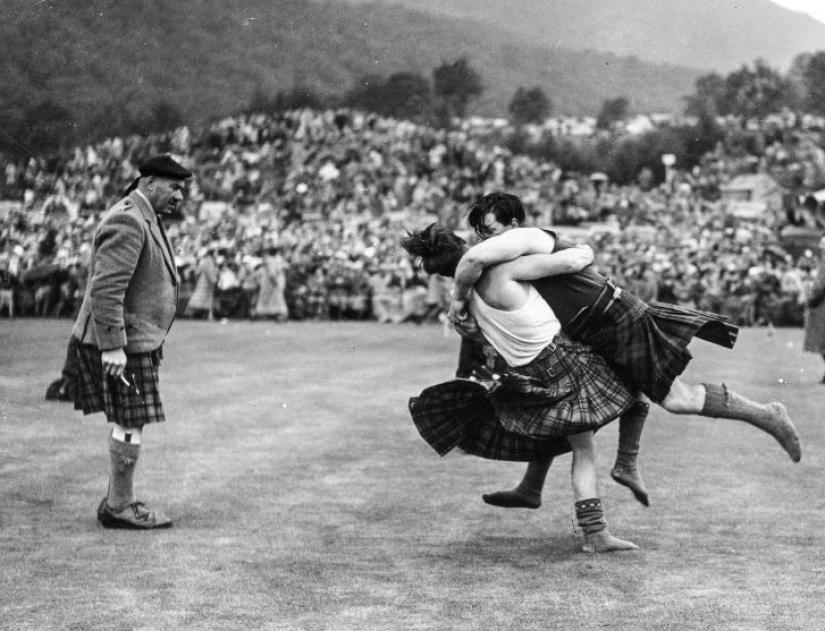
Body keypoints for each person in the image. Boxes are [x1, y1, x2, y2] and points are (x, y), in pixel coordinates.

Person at [448, 192, 801, 509]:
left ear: (513, 224)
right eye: (481, 234)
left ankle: (767, 413)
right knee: (564, 405)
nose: (486, 242)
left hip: (617, 320)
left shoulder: (526, 238)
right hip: (597, 326)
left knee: (678, 400)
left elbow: (473, 260)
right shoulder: (516, 254)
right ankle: (540, 485)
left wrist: (457, 302)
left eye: (491, 232)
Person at [403, 223, 639, 553]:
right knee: (621, 406)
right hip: (565, 361)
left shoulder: (463, 308)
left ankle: (535, 491)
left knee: (577, 438)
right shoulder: (503, 270)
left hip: (528, 374)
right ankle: (597, 528)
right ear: (465, 246)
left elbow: (485, 339)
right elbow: (569, 263)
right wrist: (585, 250)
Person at [71, 154, 192, 530]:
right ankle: (120, 506)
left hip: (135, 340)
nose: (179, 197)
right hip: (124, 341)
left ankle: (116, 501)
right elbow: (106, 289)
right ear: (150, 182)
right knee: (131, 420)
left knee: (130, 419)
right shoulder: (129, 218)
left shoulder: (144, 215)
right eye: (174, 187)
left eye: (182, 190)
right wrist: (112, 346)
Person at [803, 234, 825, 383]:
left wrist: (810, 296)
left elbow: (819, 286)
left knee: (822, 341)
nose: (821, 245)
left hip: (822, 305)